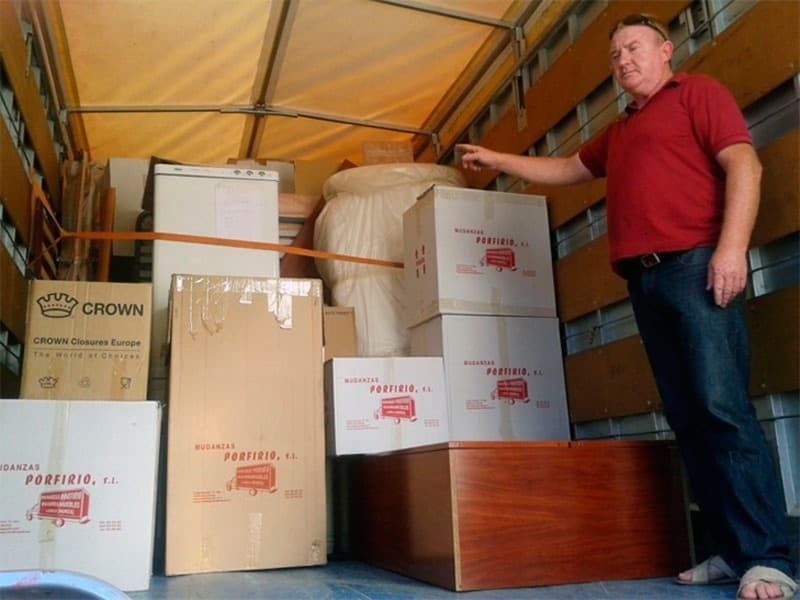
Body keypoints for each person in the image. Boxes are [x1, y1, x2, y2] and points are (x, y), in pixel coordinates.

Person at [458, 13, 796, 600]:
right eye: (615, 55)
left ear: (666, 51)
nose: (623, 61)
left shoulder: (698, 95)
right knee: (688, 419)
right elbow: (568, 168)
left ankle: (770, 559)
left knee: (722, 410)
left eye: (633, 47)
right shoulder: (621, 131)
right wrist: (498, 160)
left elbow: (744, 163)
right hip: (645, 282)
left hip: (696, 267)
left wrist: (732, 248)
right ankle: (730, 549)